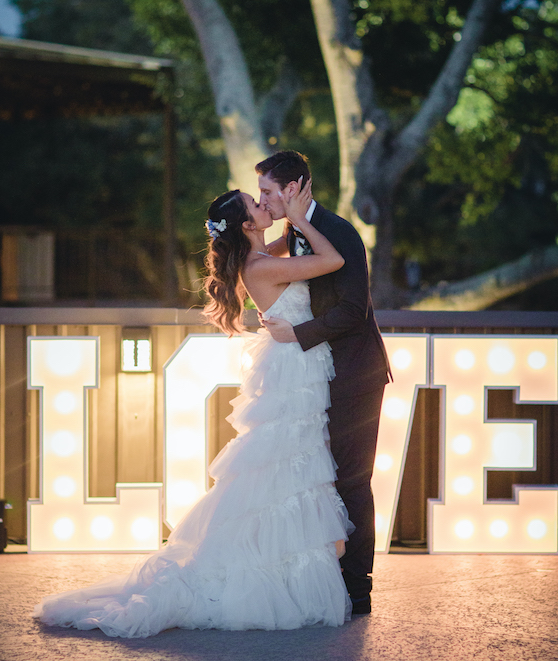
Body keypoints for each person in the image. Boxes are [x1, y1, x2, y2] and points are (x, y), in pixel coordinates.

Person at [33, 182, 353, 637]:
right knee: (284, 466)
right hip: (291, 374)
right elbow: (333, 262)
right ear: (246, 225)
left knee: (288, 469)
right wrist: (299, 219)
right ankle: (262, 575)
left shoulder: (260, 255)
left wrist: (284, 229)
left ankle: (280, 569)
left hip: (294, 366)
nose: (266, 205)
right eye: (257, 204)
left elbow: (282, 248)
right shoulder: (260, 266)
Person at [256, 151, 391, 615]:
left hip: (354, 374)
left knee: (352, 480)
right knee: (318, 478)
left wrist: (297, 334)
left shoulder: (338, 233)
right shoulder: (293, 234)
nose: (264, 200)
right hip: (314, 377)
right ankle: (319, 578)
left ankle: (357, 588)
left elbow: (354, 310)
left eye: (269, 192)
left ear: (293, 188)